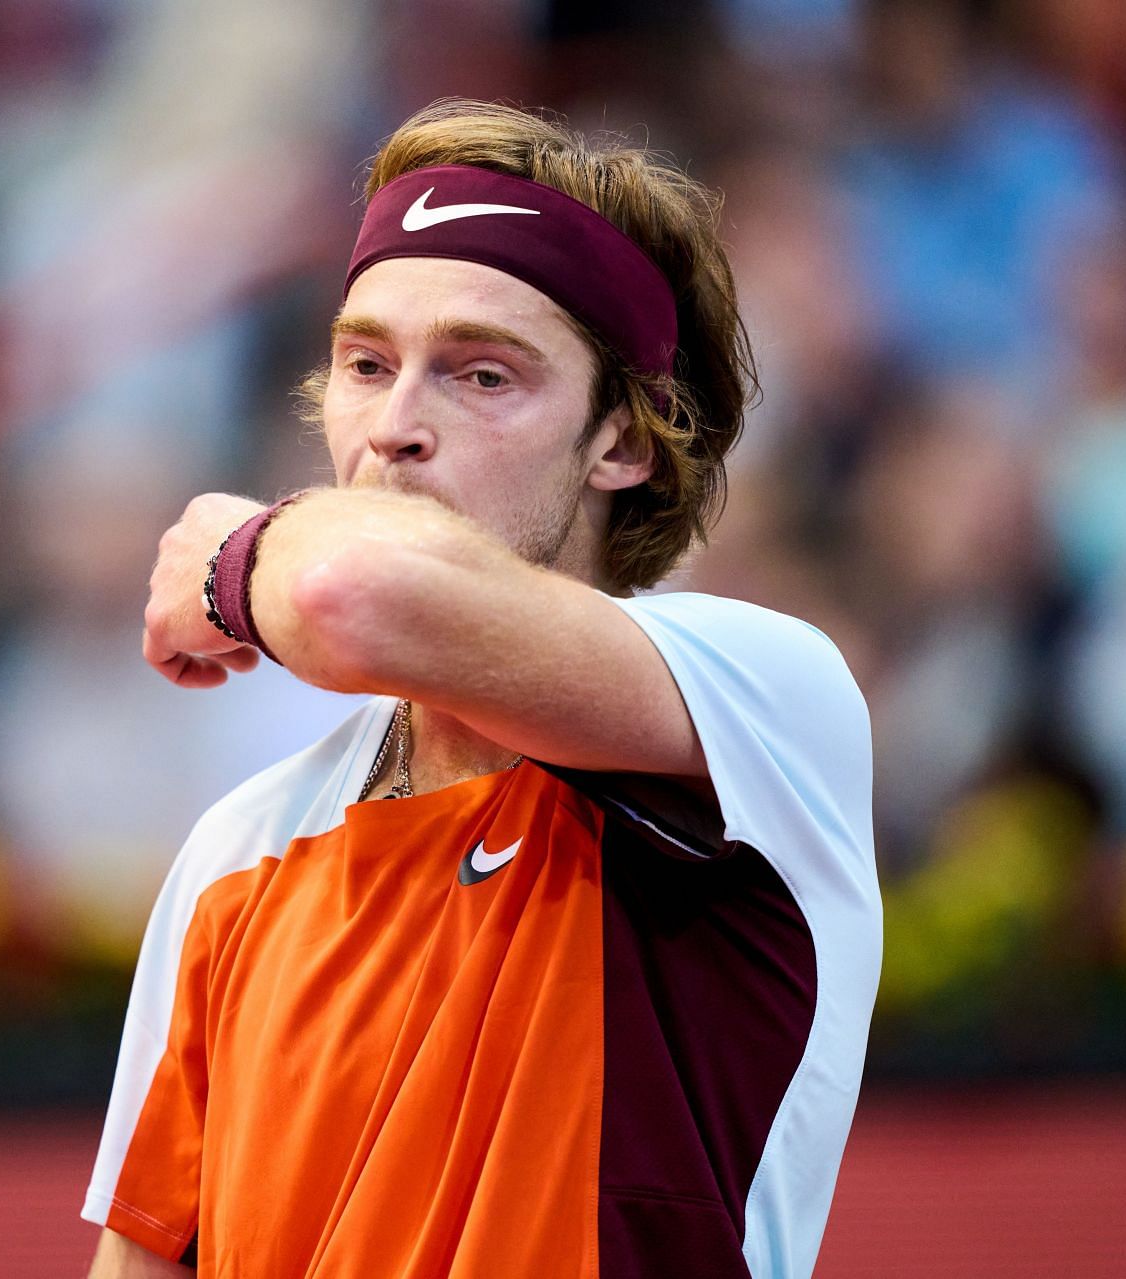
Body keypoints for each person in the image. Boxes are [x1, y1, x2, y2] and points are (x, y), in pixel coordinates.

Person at [80, 100, 881, 1279]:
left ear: (625, 440)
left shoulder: (761, 703)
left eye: (482, 374)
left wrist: (228, 556)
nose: (395, 426)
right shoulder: (234, 853)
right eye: (365, 364)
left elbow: (352, 590)